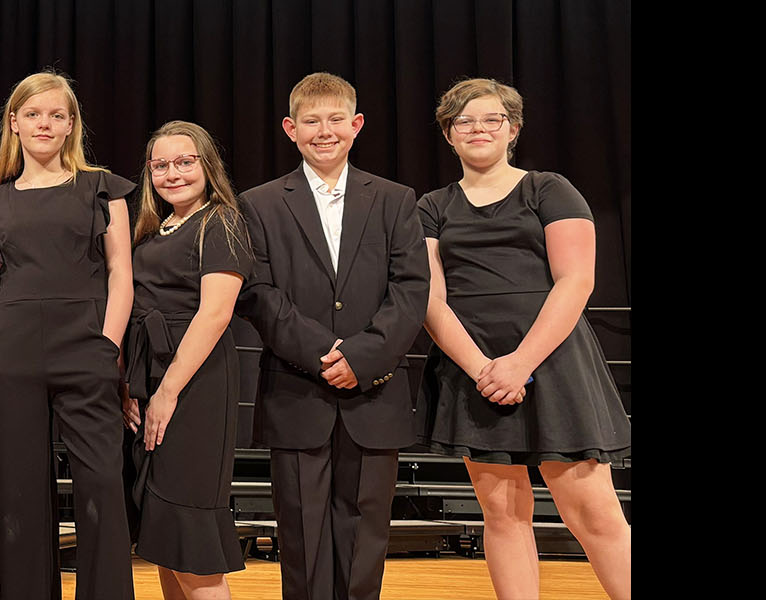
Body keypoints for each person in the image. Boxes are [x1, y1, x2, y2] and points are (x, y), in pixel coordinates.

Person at [417, 77, 630, 600]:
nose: (478, 129)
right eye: (464, 121)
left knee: (593, 514)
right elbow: (428, 299)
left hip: (554, 362)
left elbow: (576, 281)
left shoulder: (549, 189)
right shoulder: (431, 206)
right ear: (449, 134)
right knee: (503, 514)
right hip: (476, 370)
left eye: (492, 119)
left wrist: (520, 363)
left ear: (512, 129)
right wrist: (484, 370)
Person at [235, 72, 429, 600]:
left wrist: (363, 356)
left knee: (366, 536)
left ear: (357, 124)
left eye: (336, 120)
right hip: (297, 390)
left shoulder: (394, 199)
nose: (325, 131)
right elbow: (257, 292)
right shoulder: (259, 203)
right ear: (290, 129)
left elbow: (411, 289)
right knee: (300, 536)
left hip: (375, 391)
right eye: (312, 121)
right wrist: (323, 353)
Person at [0, 70, 136, 600]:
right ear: (14, 123)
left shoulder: (101, 188)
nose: (45, 123)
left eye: (56, 115)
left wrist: (108, 346)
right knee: (19, 493)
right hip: (12, 353)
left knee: (102, 486)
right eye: (34, 114)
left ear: (70, 126)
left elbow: (120, 275)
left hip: (86, 347)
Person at [120, 121, 250, 600]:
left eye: (185, 162)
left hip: (194, 384)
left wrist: (166, 393)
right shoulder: (153, 230)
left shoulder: (220, 222)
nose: (172, 173)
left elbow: (215, 313)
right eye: (161, 165)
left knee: (190, 537)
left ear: (206, 165)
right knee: (165, 535)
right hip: (149, 376)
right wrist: (132, 388)